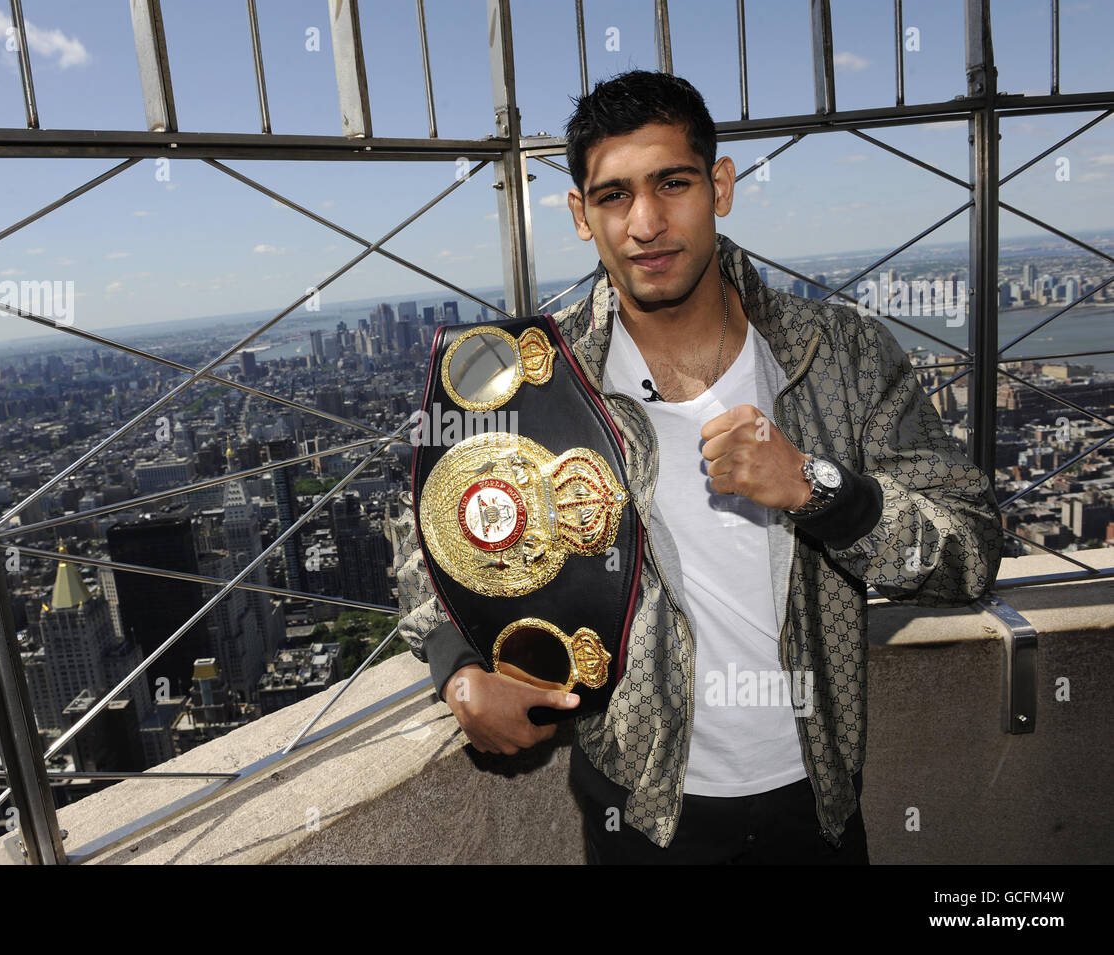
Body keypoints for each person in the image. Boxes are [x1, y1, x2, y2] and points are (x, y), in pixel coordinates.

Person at [391, 70, 1004, 864]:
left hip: (815, 802)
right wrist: (459, 665)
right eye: (613, 196)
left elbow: (971, 552)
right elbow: (419, 531)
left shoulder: (842, 355)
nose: (645, 222)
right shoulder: (534, 376)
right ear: (581, 214)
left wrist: (817, 490)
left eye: (671, 183)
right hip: (640, 816)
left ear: (720, 184)